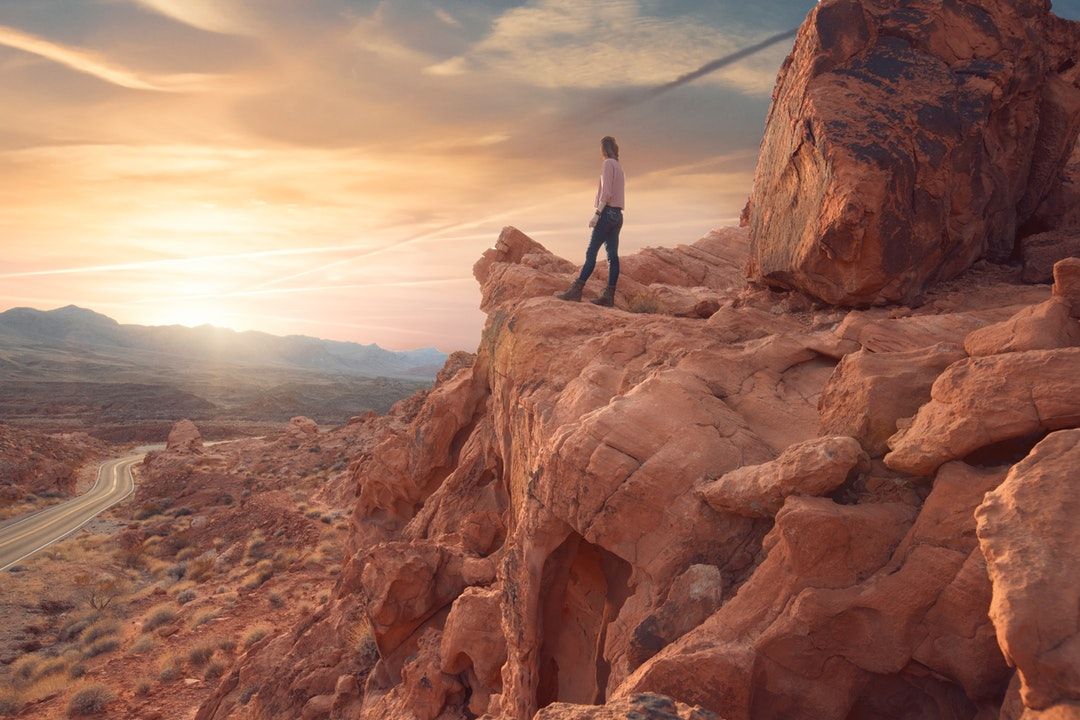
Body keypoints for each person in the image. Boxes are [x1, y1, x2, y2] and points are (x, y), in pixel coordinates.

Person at [556, 136, 625, 307]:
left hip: (607, 213)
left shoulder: (608, 164)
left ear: (603, 149)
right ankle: (609, 297)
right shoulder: (619, 166)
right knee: (612, 257)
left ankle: (576, 291)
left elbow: (607, 193)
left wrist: (597, 214)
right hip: (618, 216)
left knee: (591, 253)